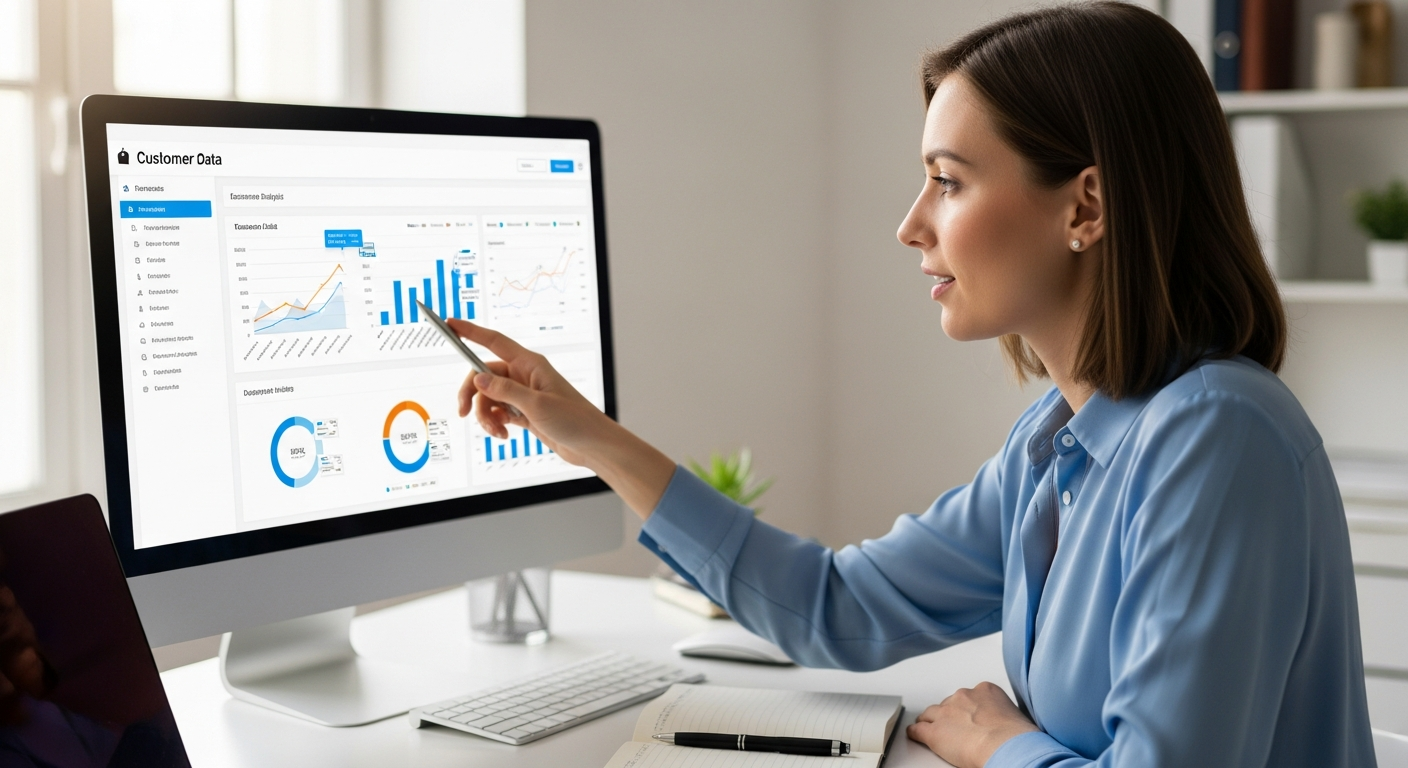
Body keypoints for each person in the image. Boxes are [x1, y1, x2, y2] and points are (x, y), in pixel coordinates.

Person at [447, 3, 1375, 766]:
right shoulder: (1057, 445)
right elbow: (836, 608)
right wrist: (592, 437)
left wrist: (1003, 745)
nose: (911, 224)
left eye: (949, 181)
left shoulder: (1216, 436)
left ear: (1085, 206)